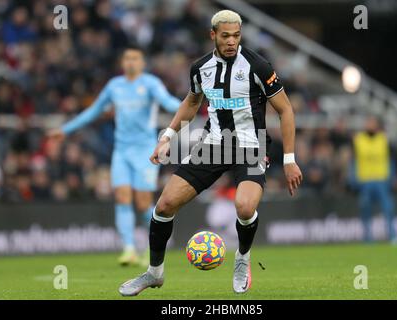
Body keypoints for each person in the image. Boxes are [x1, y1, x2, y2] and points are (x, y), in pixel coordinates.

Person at [119, 10, 302, 296]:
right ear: (213, 35)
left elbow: (285, 109)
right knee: (165, 205)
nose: (231, 42)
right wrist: (167, 137)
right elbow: (191, 104)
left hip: (251, 146)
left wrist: (290, 160)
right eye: (226, 36)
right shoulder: (200, 68)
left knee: (244, 207)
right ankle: (154, 273)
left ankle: (242, 258)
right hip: (214, 145)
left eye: (236, 36)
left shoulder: (258, 65)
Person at [47, 45, 180, 266]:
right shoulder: (115, 86)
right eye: (127, 58)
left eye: (135, 59)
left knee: (143, 202)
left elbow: (168, 102)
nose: (131, 62)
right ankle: (129, 249)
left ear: (142, 63)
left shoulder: (150, 84)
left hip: (145, 150)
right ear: (122, 63)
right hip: (121, 151)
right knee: (121, 197)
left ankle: (153, 247)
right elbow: (93, 111)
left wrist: (192, 106)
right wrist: (65, 129)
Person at [352, 116, 397, 243]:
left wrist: (393, 176)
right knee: (365, 209)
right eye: (368, 122)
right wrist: (353, 179)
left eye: (372, 123)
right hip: (365, 180)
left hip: (381, 180)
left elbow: (391, 159)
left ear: (377, 125)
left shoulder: (384, 139)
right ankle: (367, 237)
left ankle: (393, 235)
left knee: (388, 208)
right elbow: (354, 160)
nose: (369, 125)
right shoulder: (358, 139)